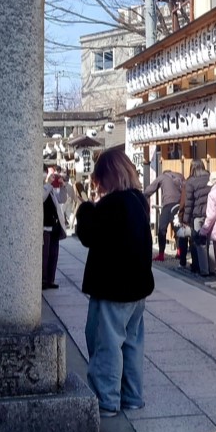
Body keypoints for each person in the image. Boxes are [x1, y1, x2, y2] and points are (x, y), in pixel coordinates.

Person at [76, 148, 155, 417]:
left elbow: (86, 233)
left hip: (113, 288)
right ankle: (132, 397)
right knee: (131, 343)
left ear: (107, 176)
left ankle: (105, 400)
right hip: (137, 288)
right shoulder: (138, 200)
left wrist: (86, 204)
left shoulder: (112, 204)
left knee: (105, 344)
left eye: (100, 178)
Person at [143, 167, 186, 263]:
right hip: (180, 205)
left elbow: (151, 189)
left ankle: (161, 255)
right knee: (178, 229)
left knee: (162, 229)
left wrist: (142, 196)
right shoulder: (180, 176)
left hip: (168, 205)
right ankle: (179, 252)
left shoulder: (162, 177)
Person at [180, 162, 213, 276]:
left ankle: (203, 270)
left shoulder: (191, 181)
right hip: (210, 214)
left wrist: (185, 219)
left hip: (197, 215)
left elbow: (189, 203)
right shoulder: (210, 178)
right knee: (211, 242)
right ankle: (212, 268)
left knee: (200, 243)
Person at [43, 167, 70, 289]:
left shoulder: (50, 189)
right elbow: (41, 198)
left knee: (53, 254)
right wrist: (48, 184)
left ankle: (50, 279)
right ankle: (43, 280)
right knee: (45, 255)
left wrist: (63, 186)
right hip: (44, 226)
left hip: (55, 225)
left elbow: (62, 199)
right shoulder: (42, 188)